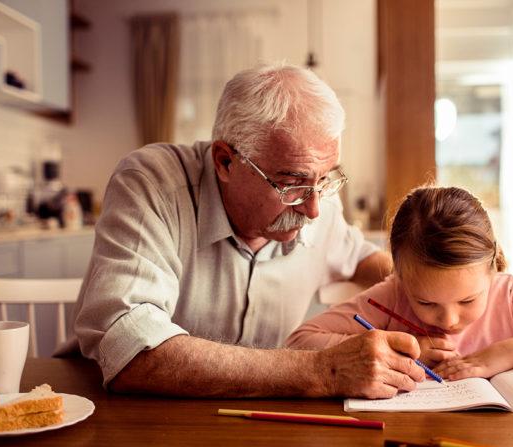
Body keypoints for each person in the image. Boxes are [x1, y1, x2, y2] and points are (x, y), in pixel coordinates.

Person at [72, 62, 426, 398]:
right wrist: (324, 371)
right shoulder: (152, 184)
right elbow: (131, 353)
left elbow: (364, 259)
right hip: (120, 413)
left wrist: (436, 299)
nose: (313, 208)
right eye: (291, 183)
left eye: (324, 180)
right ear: (225, 161)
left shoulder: (319, 203)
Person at [286, 186, 513, 381]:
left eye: (468, 301)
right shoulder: (390, 297)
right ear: (401, 278)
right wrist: (398, 349)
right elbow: (299, 342)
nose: (449, 320)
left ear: (492, 268)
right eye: (426, 303)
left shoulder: (510, 296)